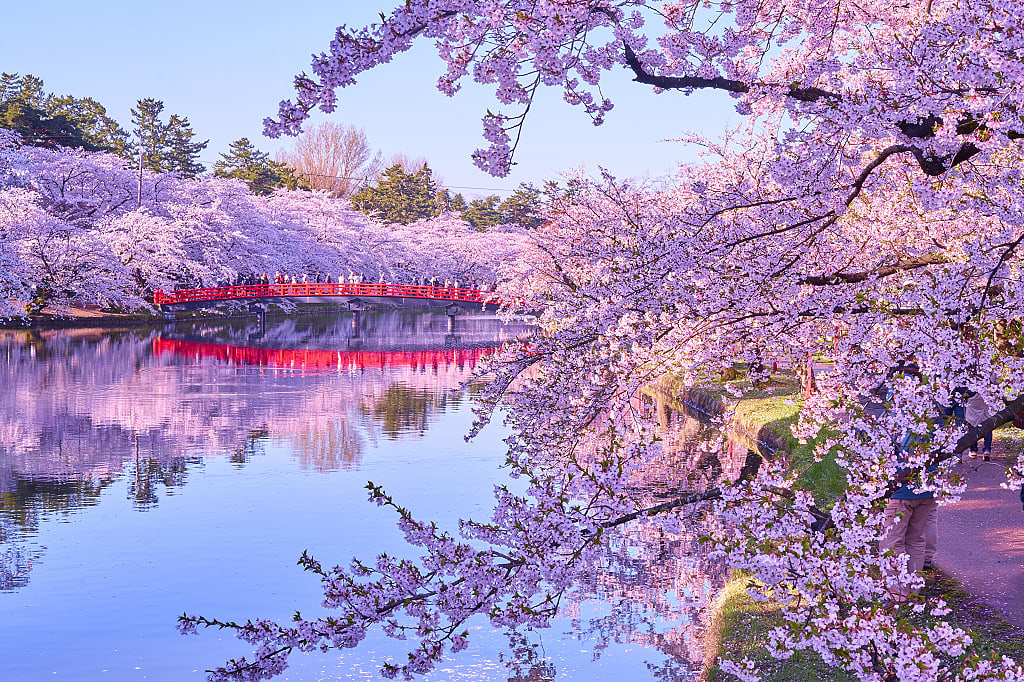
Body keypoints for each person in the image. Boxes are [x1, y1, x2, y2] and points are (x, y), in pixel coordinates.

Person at [964, 391, 993, 460]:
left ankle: (973, 450)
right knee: (988, 425)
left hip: (973, 400)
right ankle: (987, 450)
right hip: (987, 398)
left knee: (971, 424)